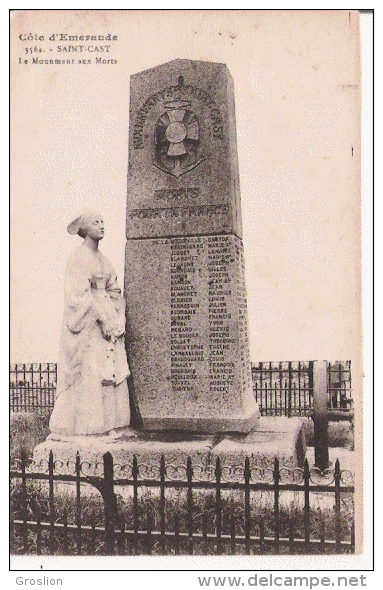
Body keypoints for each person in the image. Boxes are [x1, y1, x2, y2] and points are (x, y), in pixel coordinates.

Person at [49, 210, 132, 439]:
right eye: (96, 222)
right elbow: (79, 296)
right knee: (93, 370)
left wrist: (118, 317)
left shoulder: (104, 260)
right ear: (86, 229)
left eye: (103, 221)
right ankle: (90, 427)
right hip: (89, 324)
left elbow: (115, 290)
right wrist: (102, 318)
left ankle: (113, 424)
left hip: (109, 320)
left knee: (114, 371)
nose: (102, 226)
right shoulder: (78, 258)